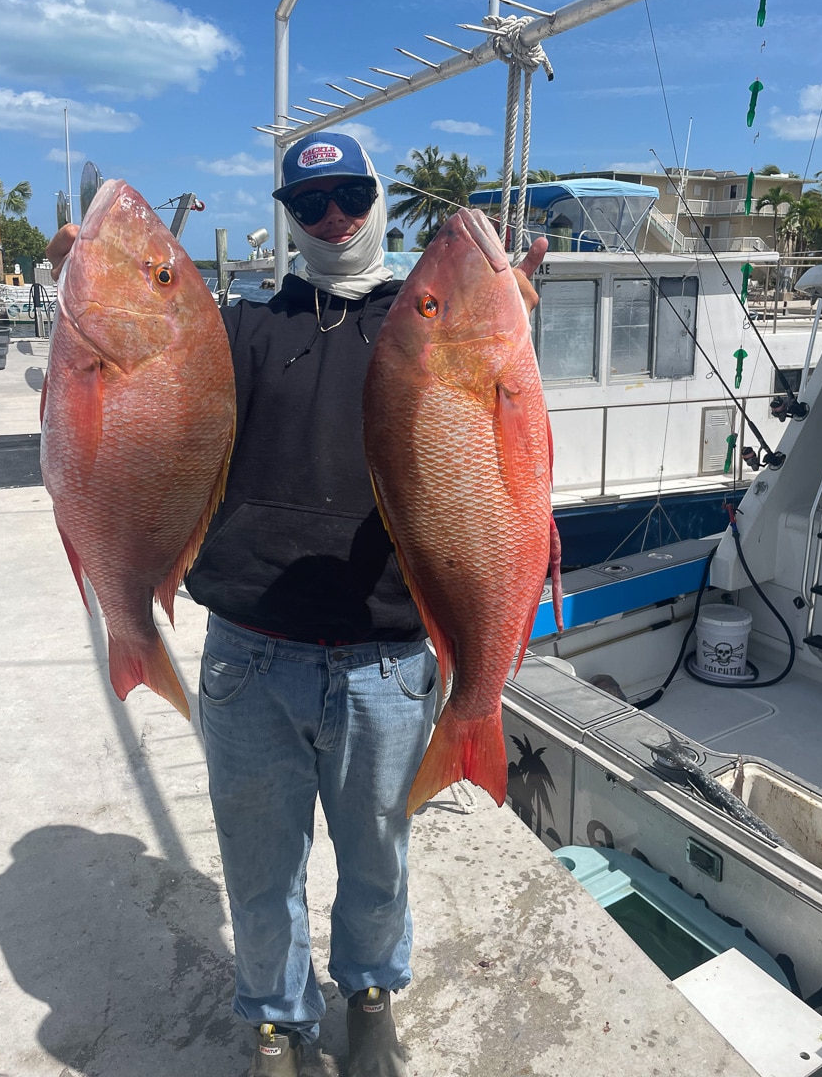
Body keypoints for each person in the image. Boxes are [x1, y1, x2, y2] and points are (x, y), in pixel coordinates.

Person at [47, 130, 547, 1076]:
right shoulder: (239, 328)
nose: (333, 219)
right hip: (248, 652)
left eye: (351, 195)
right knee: (259, 864)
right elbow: (154, 381)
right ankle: (278, 1021)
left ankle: (368, 1001)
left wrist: (512, 313)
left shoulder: (421, 321)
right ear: (288, 217)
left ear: (376, 194)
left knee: (377, 859)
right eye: (308, 205)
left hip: (385, 658)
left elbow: (492, 455)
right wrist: (80, 295)